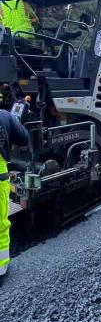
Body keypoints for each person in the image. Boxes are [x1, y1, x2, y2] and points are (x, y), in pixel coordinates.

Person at [0, 106, 30, 280]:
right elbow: (24, 138)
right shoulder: (4, 116)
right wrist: (15, 121)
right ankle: (1, 269)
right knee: (1, 224)